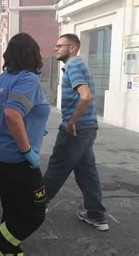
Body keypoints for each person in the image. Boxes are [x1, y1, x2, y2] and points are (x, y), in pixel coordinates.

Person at [0, 33, 50, 256]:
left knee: (13, 205)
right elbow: (12, 114)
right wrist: (27, 151)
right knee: (34, 214)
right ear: (32, 54)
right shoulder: (28, 80)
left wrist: (30, 125)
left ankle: (9, 250)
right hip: (17, 158)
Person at [43, 33, 109, 231]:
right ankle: (96, 215)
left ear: (72, 48)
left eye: (59, 45)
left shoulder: (74, 66)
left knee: (56, 168)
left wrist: (72, 122)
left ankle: (35, 206)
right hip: (87, 128)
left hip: (76, 129)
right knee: (86, 172)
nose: (55, 48)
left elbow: (86, 96)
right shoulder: (77, 66)